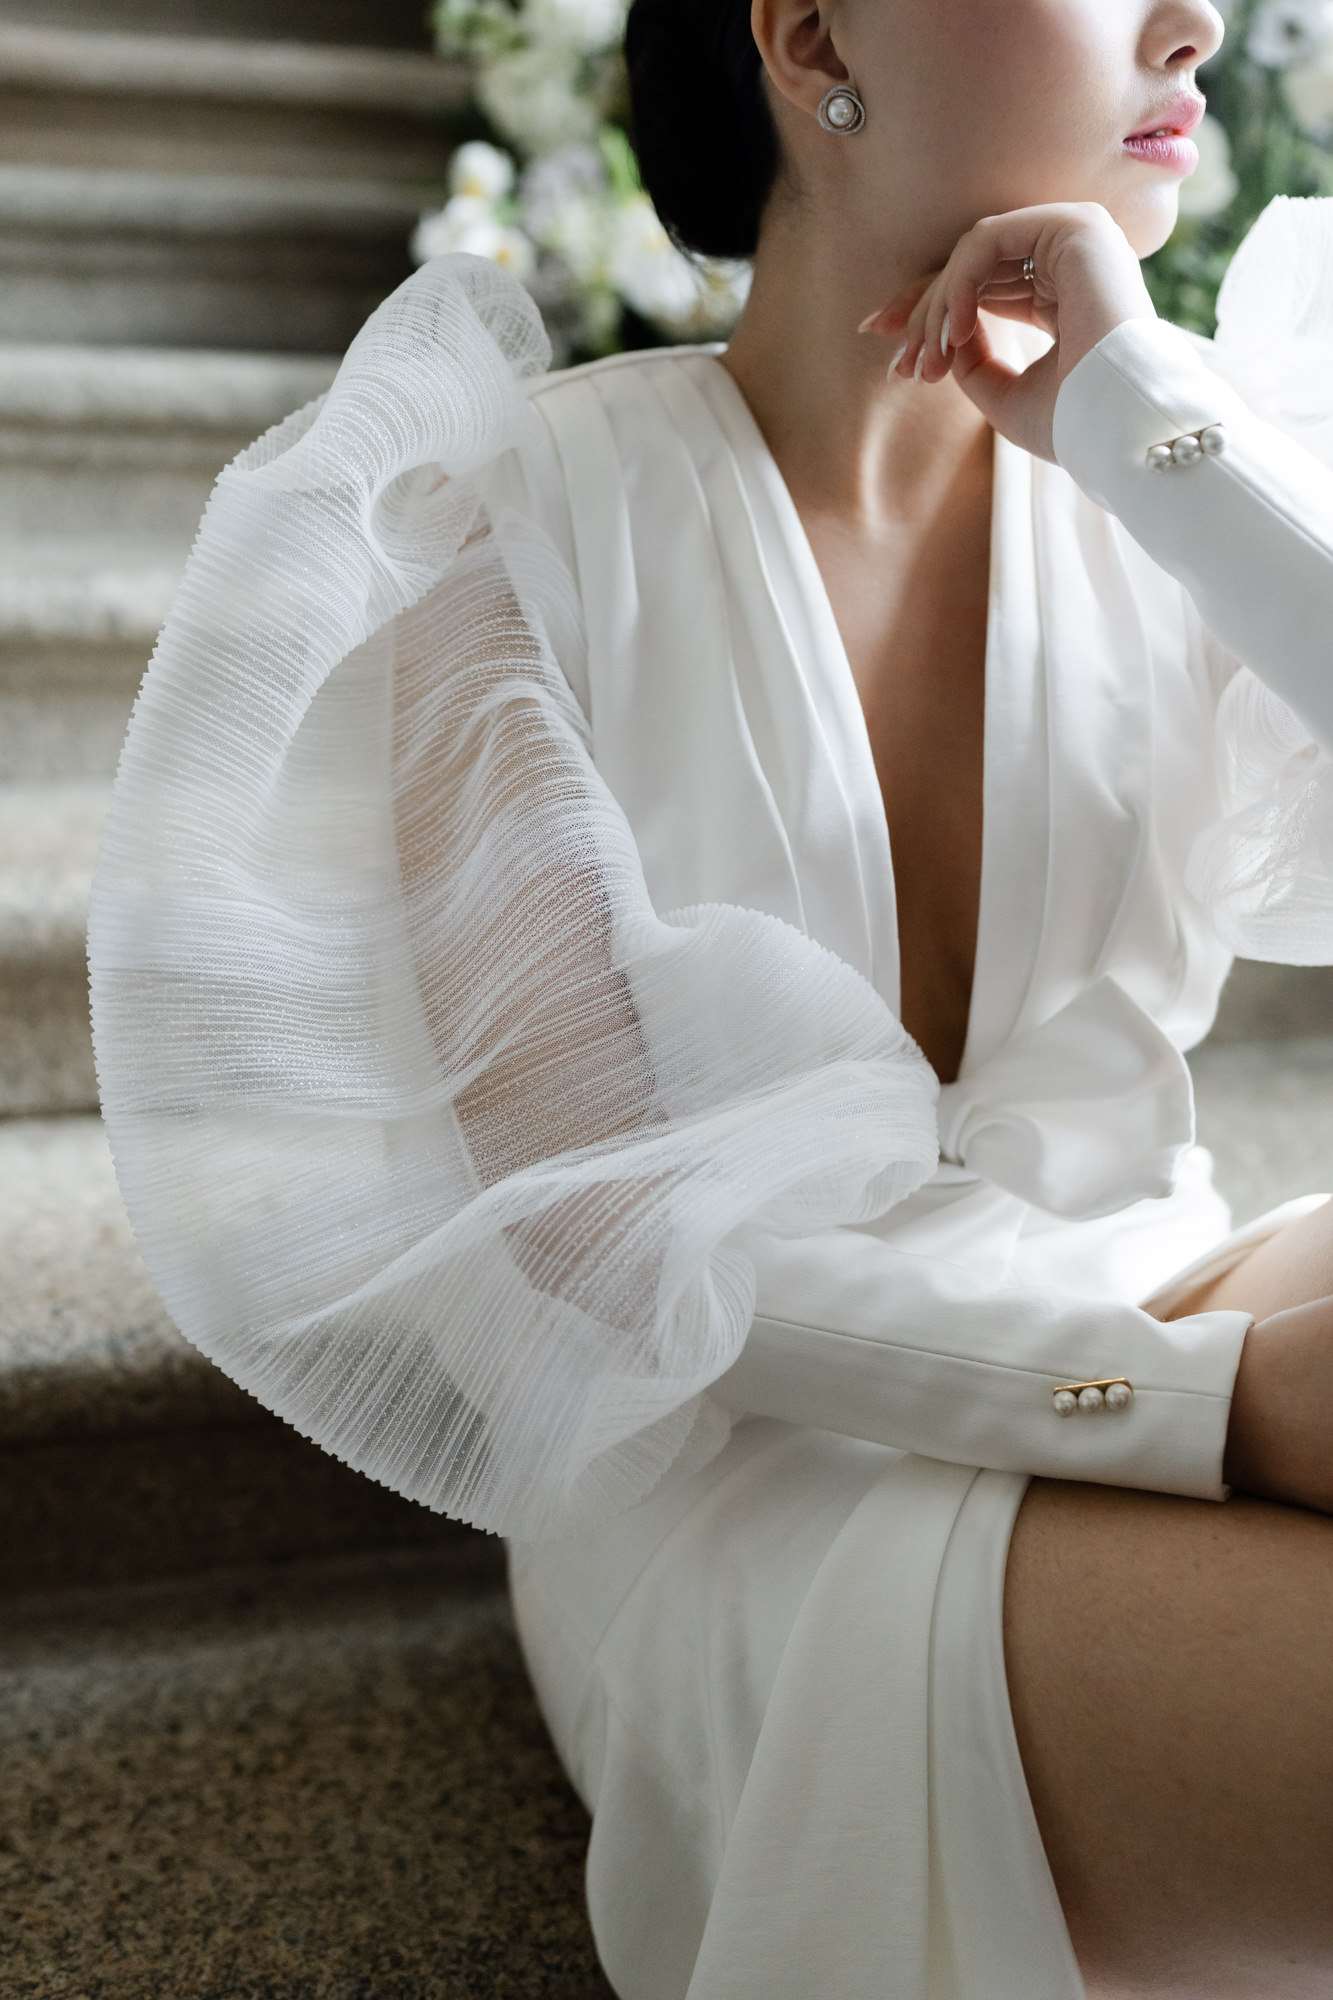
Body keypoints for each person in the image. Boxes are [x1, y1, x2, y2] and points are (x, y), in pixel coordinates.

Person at [84, 0, 1333, 1991]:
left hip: (1144, 1280)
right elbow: (601, 1234)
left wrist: (1140, 416)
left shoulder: (1161, 449)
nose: (1191, 18)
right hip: (756, 1482)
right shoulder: (515, 519)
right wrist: (1215, 1405)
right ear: (812, 30)